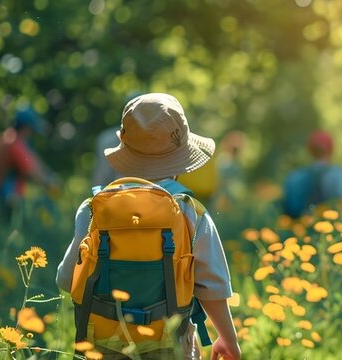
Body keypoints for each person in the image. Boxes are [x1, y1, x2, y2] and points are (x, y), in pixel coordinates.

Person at [56, 93, 241, 360]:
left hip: (101, 347)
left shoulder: (94, 209)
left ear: (124, 148)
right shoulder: (190, 212)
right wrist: (228, 339)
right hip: (171, 347)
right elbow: (213, 288)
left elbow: (66, 280)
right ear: (181, 158)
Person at [0, 107, 56, 216]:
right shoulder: (16, 145)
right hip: (5, 199)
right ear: (26, 128)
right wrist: (51, 184)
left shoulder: (2, 139)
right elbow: (33, 172)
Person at [281, 130, 342, 218]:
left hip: (296, 222)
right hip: (327, 222)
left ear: (310, 151)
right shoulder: (335, 174)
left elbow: (289, 206)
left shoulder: (295, 176)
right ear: (331, 151)